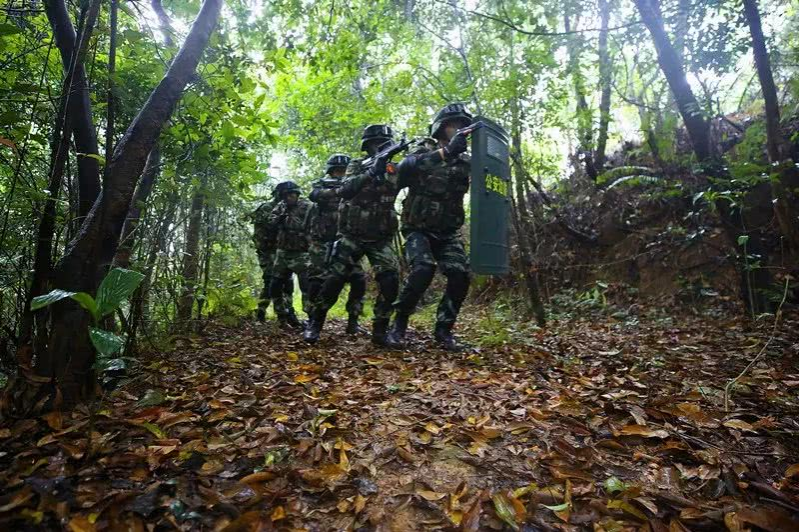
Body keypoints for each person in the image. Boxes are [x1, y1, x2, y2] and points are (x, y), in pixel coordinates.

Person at [303, 125, 401, 346]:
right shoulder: (356, 165)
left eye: (385, 143)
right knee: (333, 281)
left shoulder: (395, 169)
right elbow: (346, 189)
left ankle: (380, 329)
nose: (381, 146)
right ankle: (315, 324)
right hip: (352, 235)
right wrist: (371, 171)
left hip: (380, 237)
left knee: (390, 279)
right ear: (367, 146)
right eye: (376, 143)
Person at [390, 103, 474, 351]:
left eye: (463, 125)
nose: (459, 129)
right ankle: (399, 324)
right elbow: (403, 169)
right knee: (423, 269)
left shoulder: (465, 161)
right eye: (453, 125)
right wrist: (445, 153)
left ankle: (444, 331)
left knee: (460, 275)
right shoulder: (425, 148)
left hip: (447, 231)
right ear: (440, 128)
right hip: (418, 227)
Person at [307, 154, 367, 334]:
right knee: (318, 280)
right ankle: (313, 320)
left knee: (358, 279)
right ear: (331, 171)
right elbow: (314, 195)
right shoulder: (321, 184)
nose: (341, 174)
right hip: (322, 241)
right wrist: (338, 190)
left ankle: (353, 321)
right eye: (337, 171)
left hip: (347, 240)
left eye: (344, 171)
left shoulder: (355, 183)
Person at [268, 181, 313, 329]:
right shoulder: (280, 207)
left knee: (307, 286)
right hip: (283, 253)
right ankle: (283, 315)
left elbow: (316, 225)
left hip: (302, 253)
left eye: (292, 194)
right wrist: (279, 217)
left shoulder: (307, 206)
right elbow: (271, 223)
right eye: (286, 195)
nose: (290, 197)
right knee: (276, 285)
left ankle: (312, 319)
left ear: (297, 194)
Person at [252, 185, 293, 322]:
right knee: (271, 280)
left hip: (283, 251)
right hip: (268, 251)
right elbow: (263, 232)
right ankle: (262, 311)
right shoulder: (267, 208)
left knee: (287, 281)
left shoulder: (289, 207)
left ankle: (288, 312)